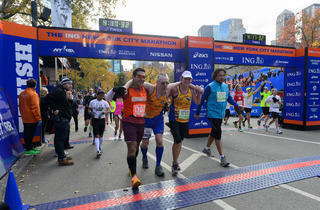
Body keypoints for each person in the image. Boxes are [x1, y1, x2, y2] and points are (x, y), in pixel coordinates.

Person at [106, 68, 147, 188]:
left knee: (136, 147)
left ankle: (131, 167)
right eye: (139, 77)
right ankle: (134, 176)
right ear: (133, 77)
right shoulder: (127, 91)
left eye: (144, 77)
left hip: (141, 122)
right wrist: (114, 89)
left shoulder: (145, 89)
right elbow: (108, 98)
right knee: (132, 147)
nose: (142, 79)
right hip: (129, 122)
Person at [195, 69, 242, 167]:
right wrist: (197, 112)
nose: (222, 77)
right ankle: (222, 157)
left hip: (221, 114)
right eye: (220, 75)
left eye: (224, 75)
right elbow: (202, 99)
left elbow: (228, 98)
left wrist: (236, 105)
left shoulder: (225, 86)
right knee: (218, 134)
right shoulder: (210, 87)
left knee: (214, 132)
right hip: (212, 114)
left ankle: (207, 148)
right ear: (215, 76)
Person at [167, 71, 203, 176]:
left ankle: (175, 161)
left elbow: (197, 101)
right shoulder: (175, 89)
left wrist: (199, 93)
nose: (187, 81)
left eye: (189, 79)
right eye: (185, 79)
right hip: (174, 118)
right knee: (177, 139)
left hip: (185, 119)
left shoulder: (191, 89)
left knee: (180, 141)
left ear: (191, 80)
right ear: (181, 78)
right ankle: (174, 163)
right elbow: (167, 91)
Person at [45, 78, 74, 166]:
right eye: (69, 84)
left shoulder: (61, 91)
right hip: (61, 119)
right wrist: (54, 109)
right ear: (64, 84)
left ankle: (62, 155)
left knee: (61, 138)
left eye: (71, 84)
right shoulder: (59, 91)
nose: (70, 86)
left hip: (63, 118)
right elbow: (47, 98)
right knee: (60, 138)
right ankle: (61, 158)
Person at [18, 79, 42, 155]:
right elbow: (35, 108)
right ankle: (29, 148)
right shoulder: (33, 94)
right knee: (30, 134)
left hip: (25, 117)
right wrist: (39, 119)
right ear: (35, 85)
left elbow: (20, 106)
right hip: (32, 118)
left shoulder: (22, 94)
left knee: (27, 133)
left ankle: (30, 147)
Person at [88, 90, 110, 158]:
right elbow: (89, 109)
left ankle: (100, 147)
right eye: (100, 95)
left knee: (101, 135)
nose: (102, 96)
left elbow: (109, 110)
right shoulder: (92, 102)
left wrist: (104, 113)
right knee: (96, 135)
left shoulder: (105, 102)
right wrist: (90, 113)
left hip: (102, 120)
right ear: (97, 95)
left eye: (103, 95)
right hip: (95, 120)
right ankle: (98, 150)